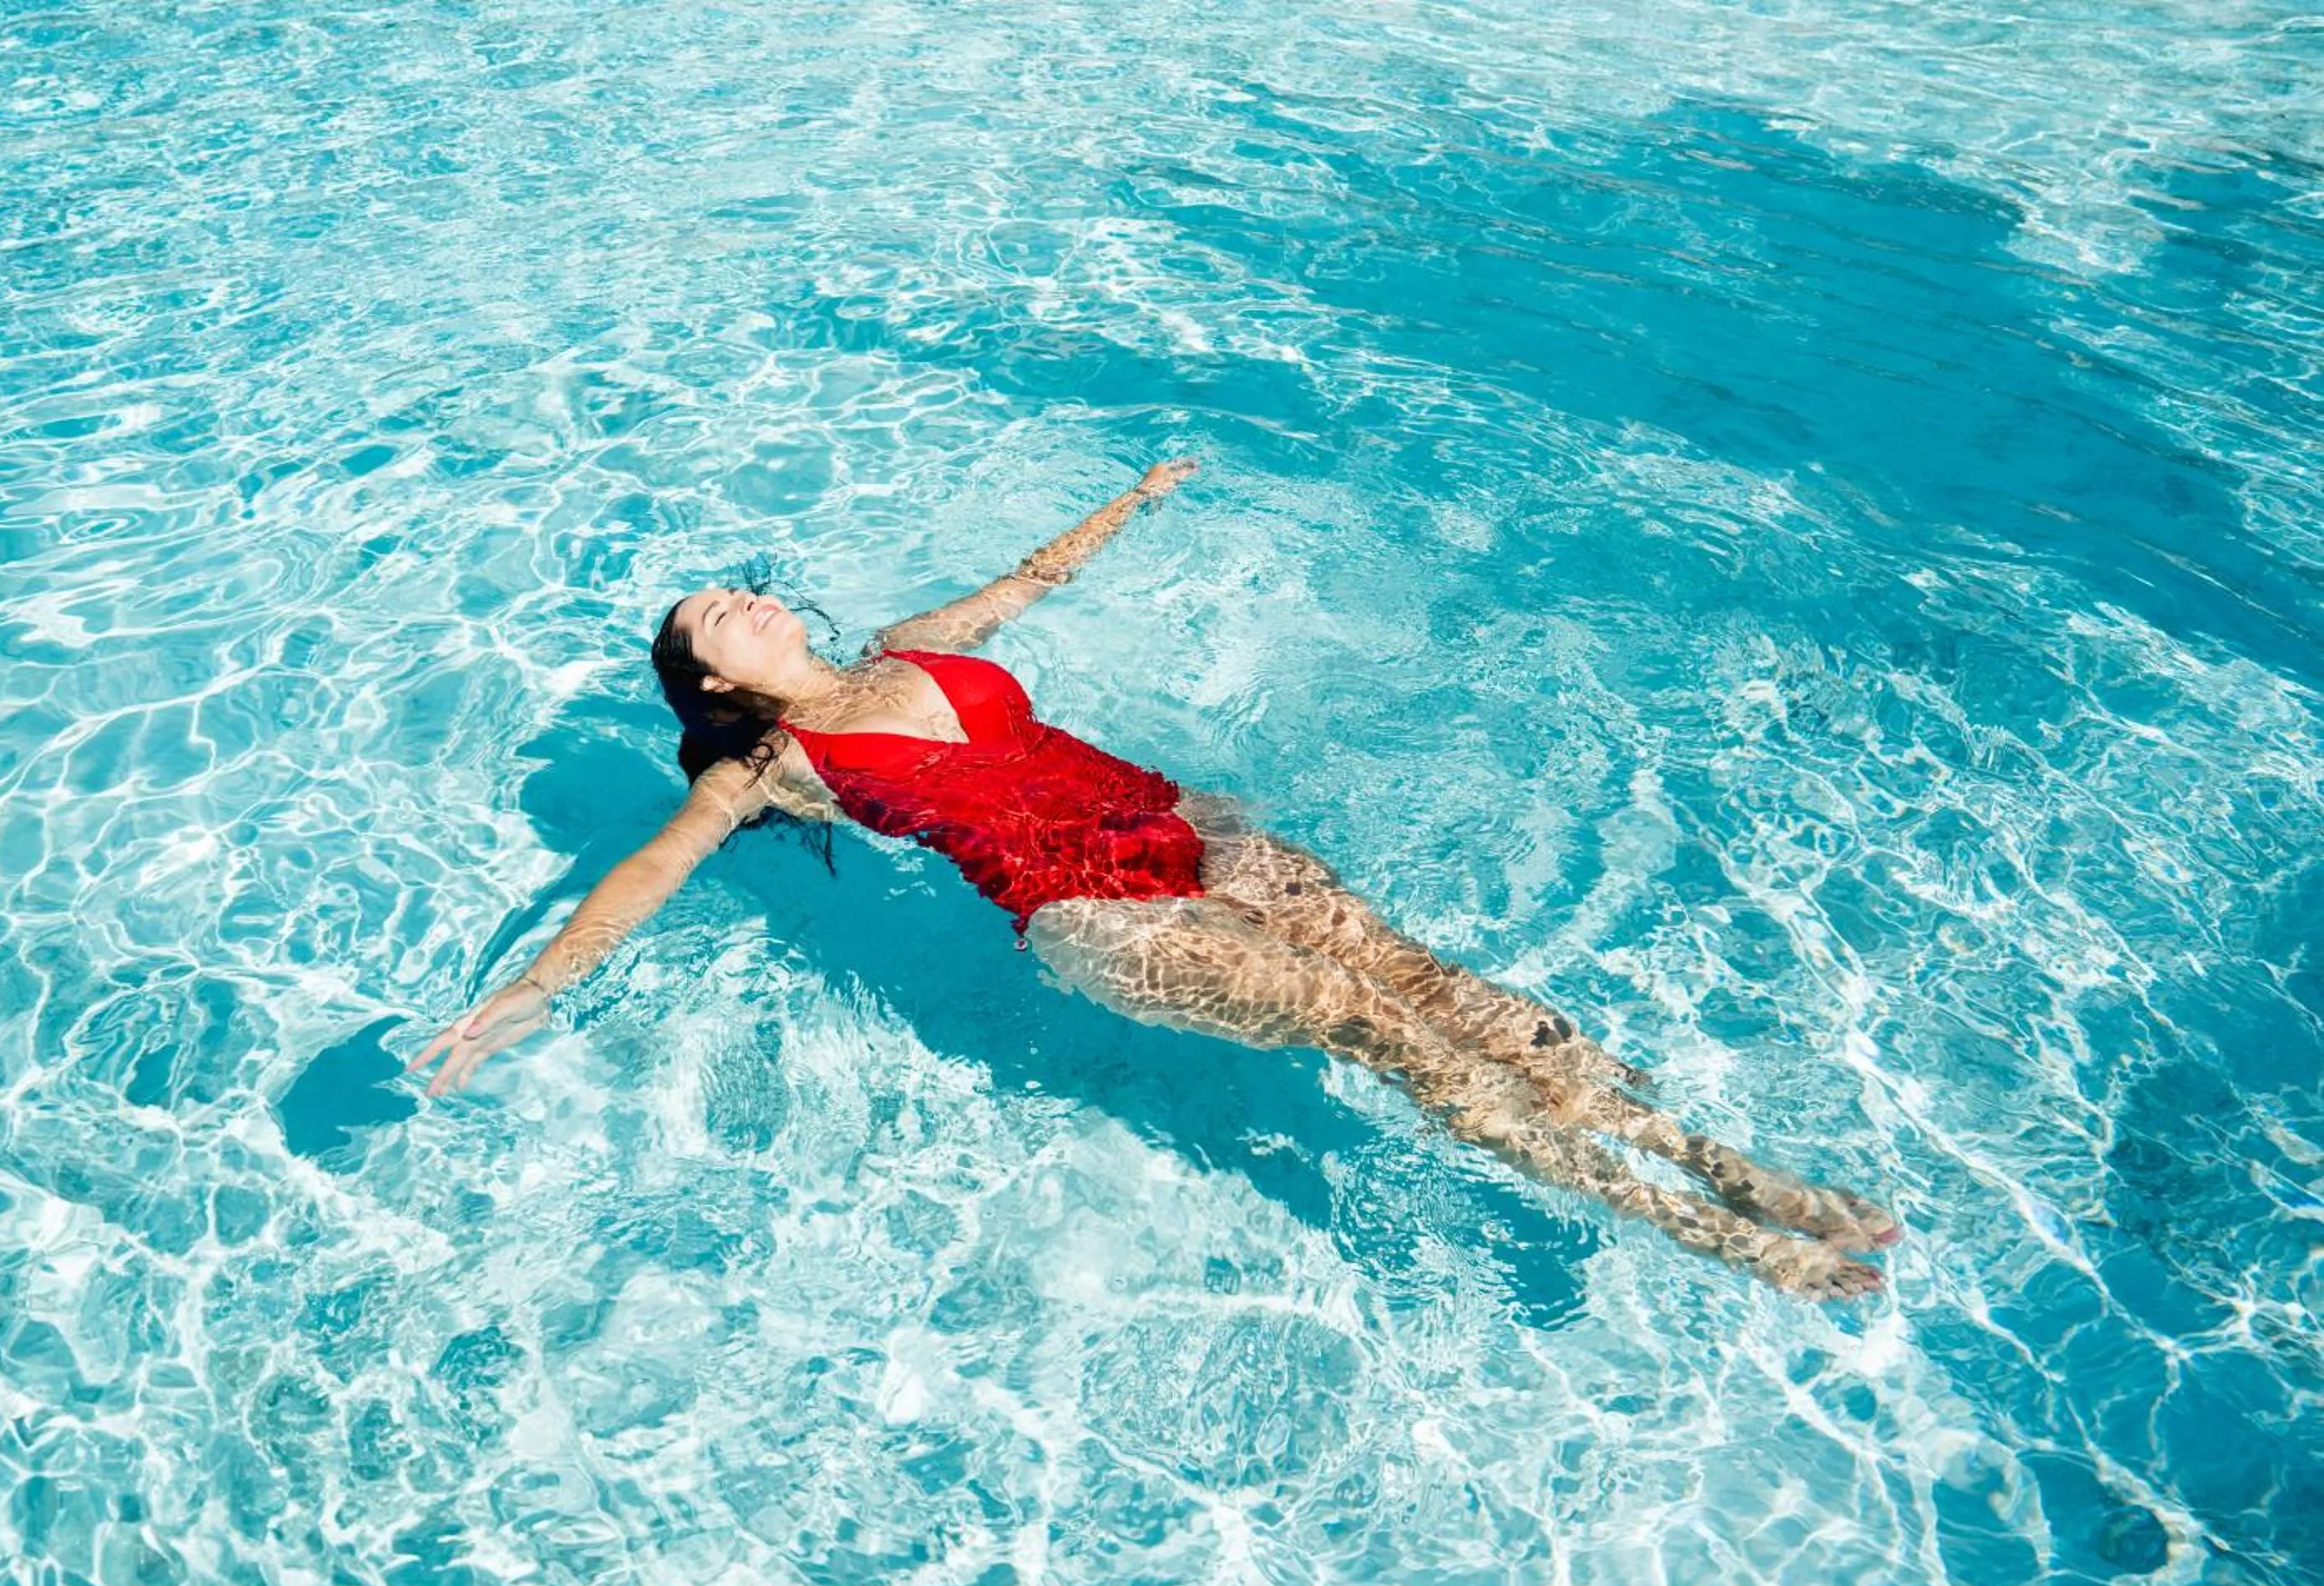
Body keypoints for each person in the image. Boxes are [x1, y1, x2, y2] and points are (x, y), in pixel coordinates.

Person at [413, 459, 1900, 1299]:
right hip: (1101, 917)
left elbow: (1028, 581)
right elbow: (646, 878)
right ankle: (1717, 1239)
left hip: (1186, 829)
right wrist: (529, 995)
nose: (731, 599)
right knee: (1385, 1034)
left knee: (1448, 990)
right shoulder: (761, 771)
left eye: (728, 588)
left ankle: (1723, 1164)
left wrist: (1136, 495)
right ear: (712, 683)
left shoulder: (910, 642)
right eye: (705, 621)